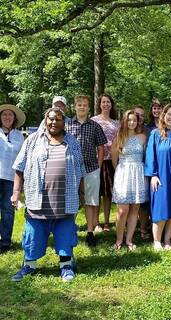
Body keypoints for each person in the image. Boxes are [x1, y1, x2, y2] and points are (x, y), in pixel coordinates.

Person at [11, 107, 85, 282]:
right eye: (51, 119)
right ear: (45, 120)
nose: (54, 122)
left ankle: (66, 265)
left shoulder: (72, 142)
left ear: (63, 122)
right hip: (38, 199)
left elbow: (80, 170)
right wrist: (16, 193)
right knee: (33, 233)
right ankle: (29, 265)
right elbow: (19, 167)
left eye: (58, 119)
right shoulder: (32, 140)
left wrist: (82, 194)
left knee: (65, 232)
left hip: (65, 200)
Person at [65, 95, 107, 247]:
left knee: (90, 201)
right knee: (71, 201)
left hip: (91, 168)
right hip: (71, 169)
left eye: (85, 105)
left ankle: (90, 232)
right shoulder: (67, 125)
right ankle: (69, 230)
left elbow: (101, 147)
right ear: (75, 107)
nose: (82, 107)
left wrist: (99, 165)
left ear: (89, 108)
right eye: (79, 105)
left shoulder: (95, 126)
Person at [145, 103, 171, 251]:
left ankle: (168, 240)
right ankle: (157, 241)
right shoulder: (156, 134)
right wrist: (153, 175)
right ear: (164, 115)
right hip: (162, 176)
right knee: (161, 208)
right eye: (169, 114)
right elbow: (151, 156)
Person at [112, 110, 148, 250]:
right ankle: (118, 240)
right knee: (123, 210)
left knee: (134, 209)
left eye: (134, 120)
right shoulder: (119, 138)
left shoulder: (143, 137)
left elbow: (145, 156)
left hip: (138, 173)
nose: (132, 123)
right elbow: (114, 161)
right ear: (125, 122)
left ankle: (129, 240)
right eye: (129, 120)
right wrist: (123, 171)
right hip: (123, 173)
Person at [91, 93, 119, 232]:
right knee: (95, 192)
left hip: (111, 161)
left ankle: (107, 222)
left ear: (111, 104)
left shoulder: (116, 123)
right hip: (96, 161)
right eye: (103, 102)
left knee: (107, 193)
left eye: (108, 102)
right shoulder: (93, 121)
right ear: (99, 104)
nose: (106, 104)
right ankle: (95, 222)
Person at [0, 104, 25, 253]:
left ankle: (5, 242)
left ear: (14, 118)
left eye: (10, 115)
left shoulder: (19, 136)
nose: (7, 117)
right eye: (4, 114)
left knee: (8, 211)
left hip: (11, 178)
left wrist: (21, 183)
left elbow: (22, 159)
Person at [133, 105, 151, 240]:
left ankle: (144, 228)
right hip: (130, 170)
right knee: (131, 201)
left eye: (141, 115)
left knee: (143, 202)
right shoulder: (127, 130)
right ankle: (131, 229)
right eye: (136, 114)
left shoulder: (149, 131)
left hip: (145, 169)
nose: (139, 118)